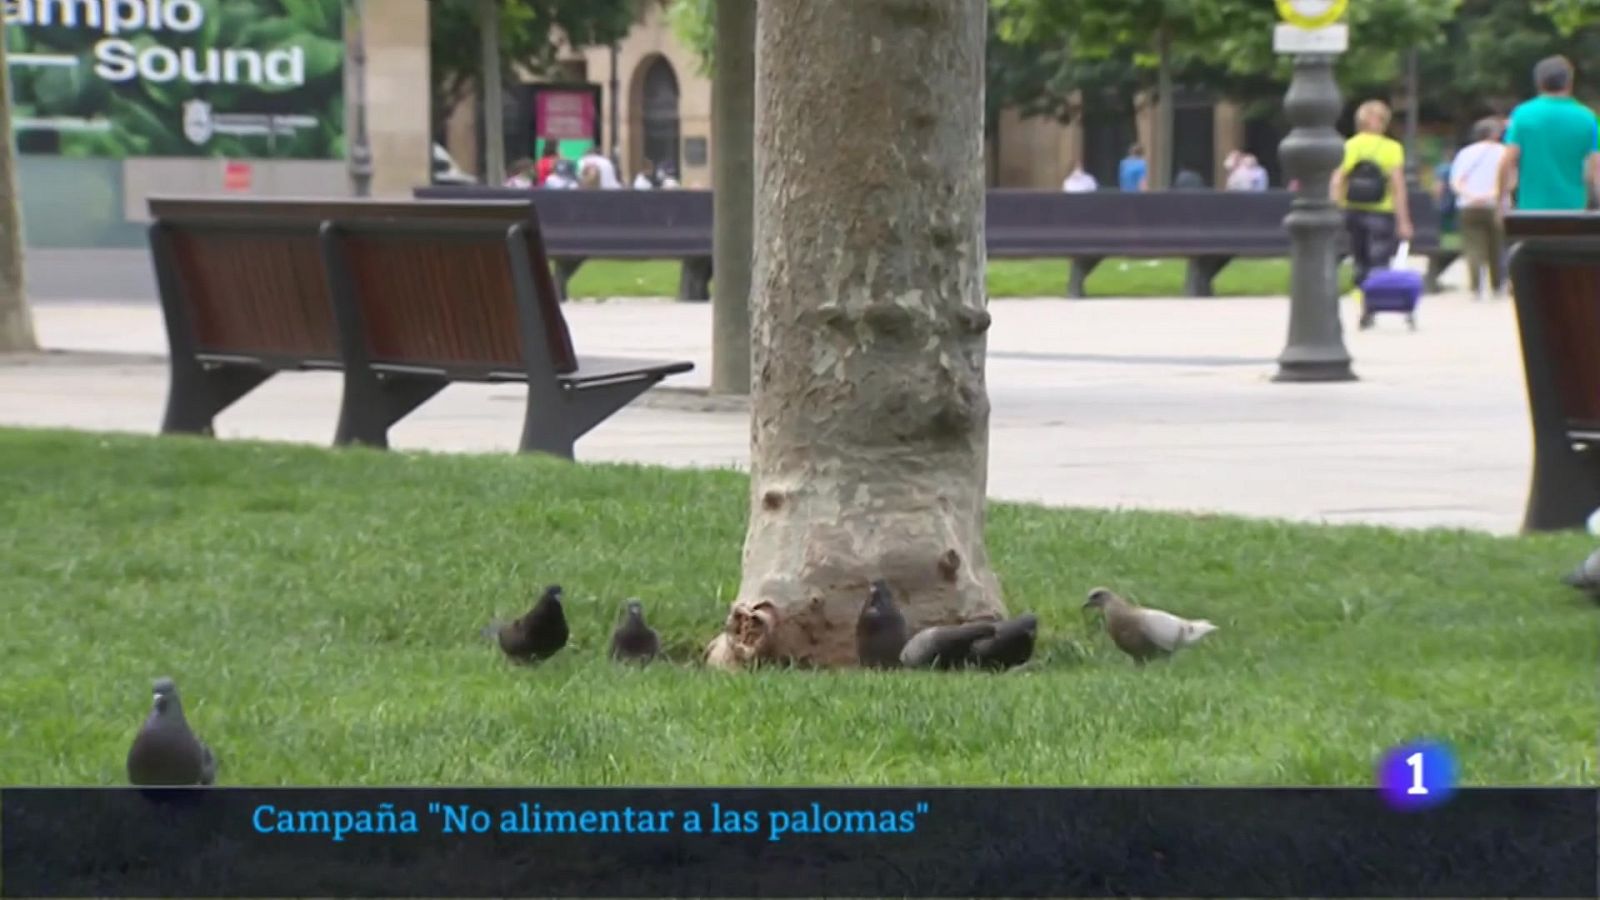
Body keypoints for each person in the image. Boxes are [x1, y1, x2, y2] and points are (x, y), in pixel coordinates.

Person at [1331, 99, 1412, 316]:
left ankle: (1361, 291)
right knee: (1379, 258)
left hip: (1352, 209)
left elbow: (1338, 179)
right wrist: (1404, 221)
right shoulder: (1392, 148)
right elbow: (1397, 186)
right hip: (1381, 210)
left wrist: (1335, 207)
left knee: (1359, 256)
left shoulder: (1350, 146)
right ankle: (1372, 301)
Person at [1498, 55, 1599, 212]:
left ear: (1538, 82)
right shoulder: (1588, 117)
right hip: (1573, 209)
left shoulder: (1523, 114)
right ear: (1569, 81)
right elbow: (1594, 168)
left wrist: (1501, 198)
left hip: (1531, 209)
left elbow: (1507, 160)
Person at [1450, 118, 1509, 300]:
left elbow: (1455, 181)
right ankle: (1498, 285)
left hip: (1469, 206)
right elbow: (1511, 180)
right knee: (1497, 247)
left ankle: (1476, 287)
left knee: (1473, 247)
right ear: (1496, 134)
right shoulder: (1504, 152)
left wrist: (1472, 196)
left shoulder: (1465, 153)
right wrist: (1492, 195)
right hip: (1496, 205)